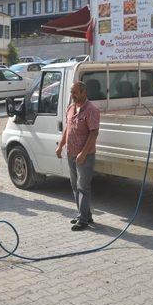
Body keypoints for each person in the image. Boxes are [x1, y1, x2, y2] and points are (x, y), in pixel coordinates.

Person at [56, 81, 100, 231]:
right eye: (71, 92)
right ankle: (84, 214)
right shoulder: (71, 108)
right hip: (71, 153)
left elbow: (94, 133)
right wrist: (61, 145)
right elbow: (68, 128)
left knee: (83, 187)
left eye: (75, 92)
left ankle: (83, 220)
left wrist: (83, 153)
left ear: (84, 93)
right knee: (75, 186)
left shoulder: (91, 110)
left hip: (85, 156)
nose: (72, 95)